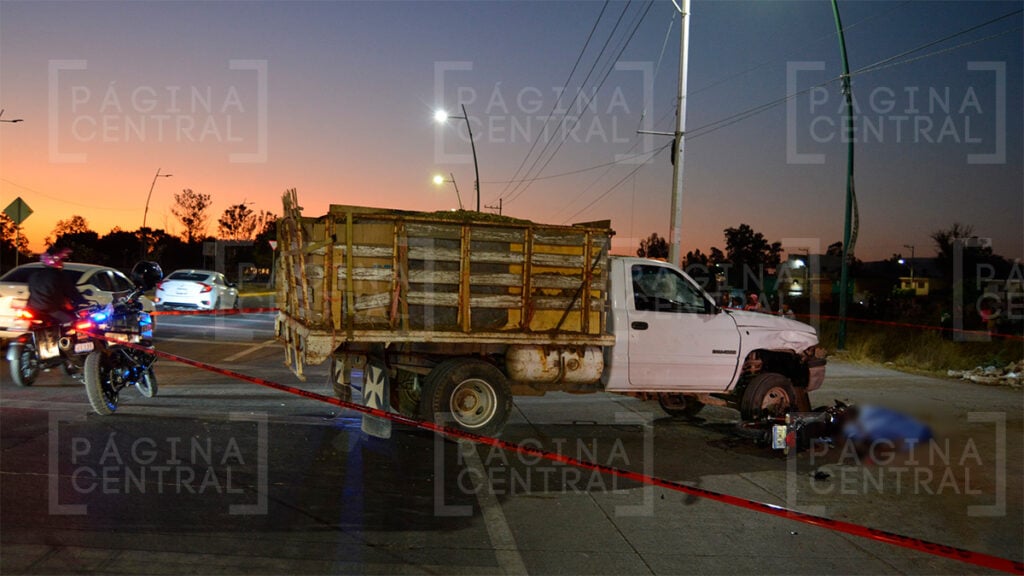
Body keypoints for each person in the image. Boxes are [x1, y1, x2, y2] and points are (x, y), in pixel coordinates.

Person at [27, 248, 88, 324]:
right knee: (74, 322)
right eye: (61, 260)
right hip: (52, 309)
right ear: (56, 261)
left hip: (33, 308)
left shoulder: (35, 275)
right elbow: (71, 291)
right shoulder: (58, 276)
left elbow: (32, 290)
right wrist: (82, 302)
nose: (62, 263)